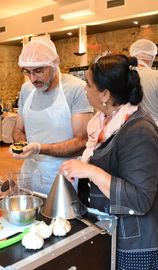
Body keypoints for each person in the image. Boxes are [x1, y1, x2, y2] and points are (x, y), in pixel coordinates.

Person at [60, 53, 158, 270]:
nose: (84, 89)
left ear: (104, 94)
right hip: (113, 230)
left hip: (133, 245)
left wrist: (91, 172)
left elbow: (141, 199)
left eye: (88, 84)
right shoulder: (104, 123)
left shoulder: (138, 131)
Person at [11, 37, 93, 194]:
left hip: (64, 174)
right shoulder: (27, 89)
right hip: (30, 171)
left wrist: (39, 148)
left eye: (39, 71)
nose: (33, 78)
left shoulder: (76, 89)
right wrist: (21, 147)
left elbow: (82, 141)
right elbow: (18, 129)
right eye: (27, 72)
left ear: (55, 63)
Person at [129, 39, 158, 125]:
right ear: (152, 57)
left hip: (130, 129)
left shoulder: (123, 75)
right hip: (154, 129)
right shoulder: (155, 76)